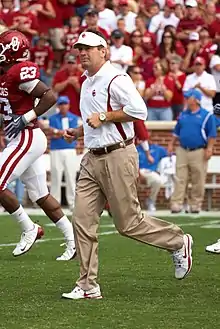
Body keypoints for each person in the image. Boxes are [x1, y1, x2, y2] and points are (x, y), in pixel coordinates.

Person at [61, 30, 193, 300]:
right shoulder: (87, 82)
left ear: (104, 51)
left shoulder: (116, 78)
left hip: (118, 156)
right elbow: (95, 121)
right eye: (79, 49)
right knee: (82, 221)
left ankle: (178, 241)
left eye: (88, 48)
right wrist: (79, 130)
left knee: (128, 223)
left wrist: (104, 116)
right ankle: (87, 286)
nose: (82, 53)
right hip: (92, 157)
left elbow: (139, 111)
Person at [0, 30, 76, 261]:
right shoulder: (4, 73)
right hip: (19, 137)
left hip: (27, 135)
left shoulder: (18, 71)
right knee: (40, 196)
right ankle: (73, 241)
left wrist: (25, 117)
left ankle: (29, 228)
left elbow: (49, 96)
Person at [169, 88, 217, 213]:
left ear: (196, 100)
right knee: (180, 178)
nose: (186, 99)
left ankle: (195, 204)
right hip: (182, 150)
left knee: (198, 178)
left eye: (188, 97)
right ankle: (177, 204)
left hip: (199, 151)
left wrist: (210, 148)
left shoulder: (207, 116)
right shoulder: (183, 114)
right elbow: (176, 131)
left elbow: (212, 134)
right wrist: (171, 144)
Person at [49, 96, 81, 210]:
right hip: (56, 149)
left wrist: (57, 132)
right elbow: (50, 132)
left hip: (70, 149)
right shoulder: (52, 118)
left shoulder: (74, 118)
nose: (63, 106)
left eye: (65, 104)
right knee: (56, 176)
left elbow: (71, 133)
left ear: (68, 105)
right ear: (58, 106)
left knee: (71, 176)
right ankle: (54, 204)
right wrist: (59, 132)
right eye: (61, 104)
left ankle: (72, 203)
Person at [137, 142, 168, 212]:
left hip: (151, 172)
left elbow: (167, 158)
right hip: (138, 172)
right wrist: (138, 174)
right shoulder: (136, 149)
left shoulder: (158, 149)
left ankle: (151, 200)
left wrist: (161, 170)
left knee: (158, 180)